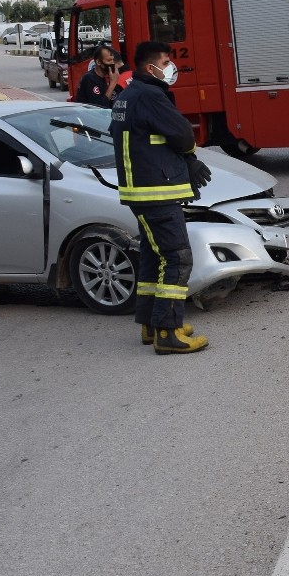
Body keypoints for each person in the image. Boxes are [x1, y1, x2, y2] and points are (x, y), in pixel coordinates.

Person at [112, 40, 212, 354]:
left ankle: (151, 324)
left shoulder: (126, 96)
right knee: (177, 257)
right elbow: (182, 133)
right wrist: (191, 156)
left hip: (142, 190)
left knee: (155, 256)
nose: (171, 67)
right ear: (150, 67)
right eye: (166, 61)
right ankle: (169, 333)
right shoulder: (152, 95)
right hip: (157, 190)